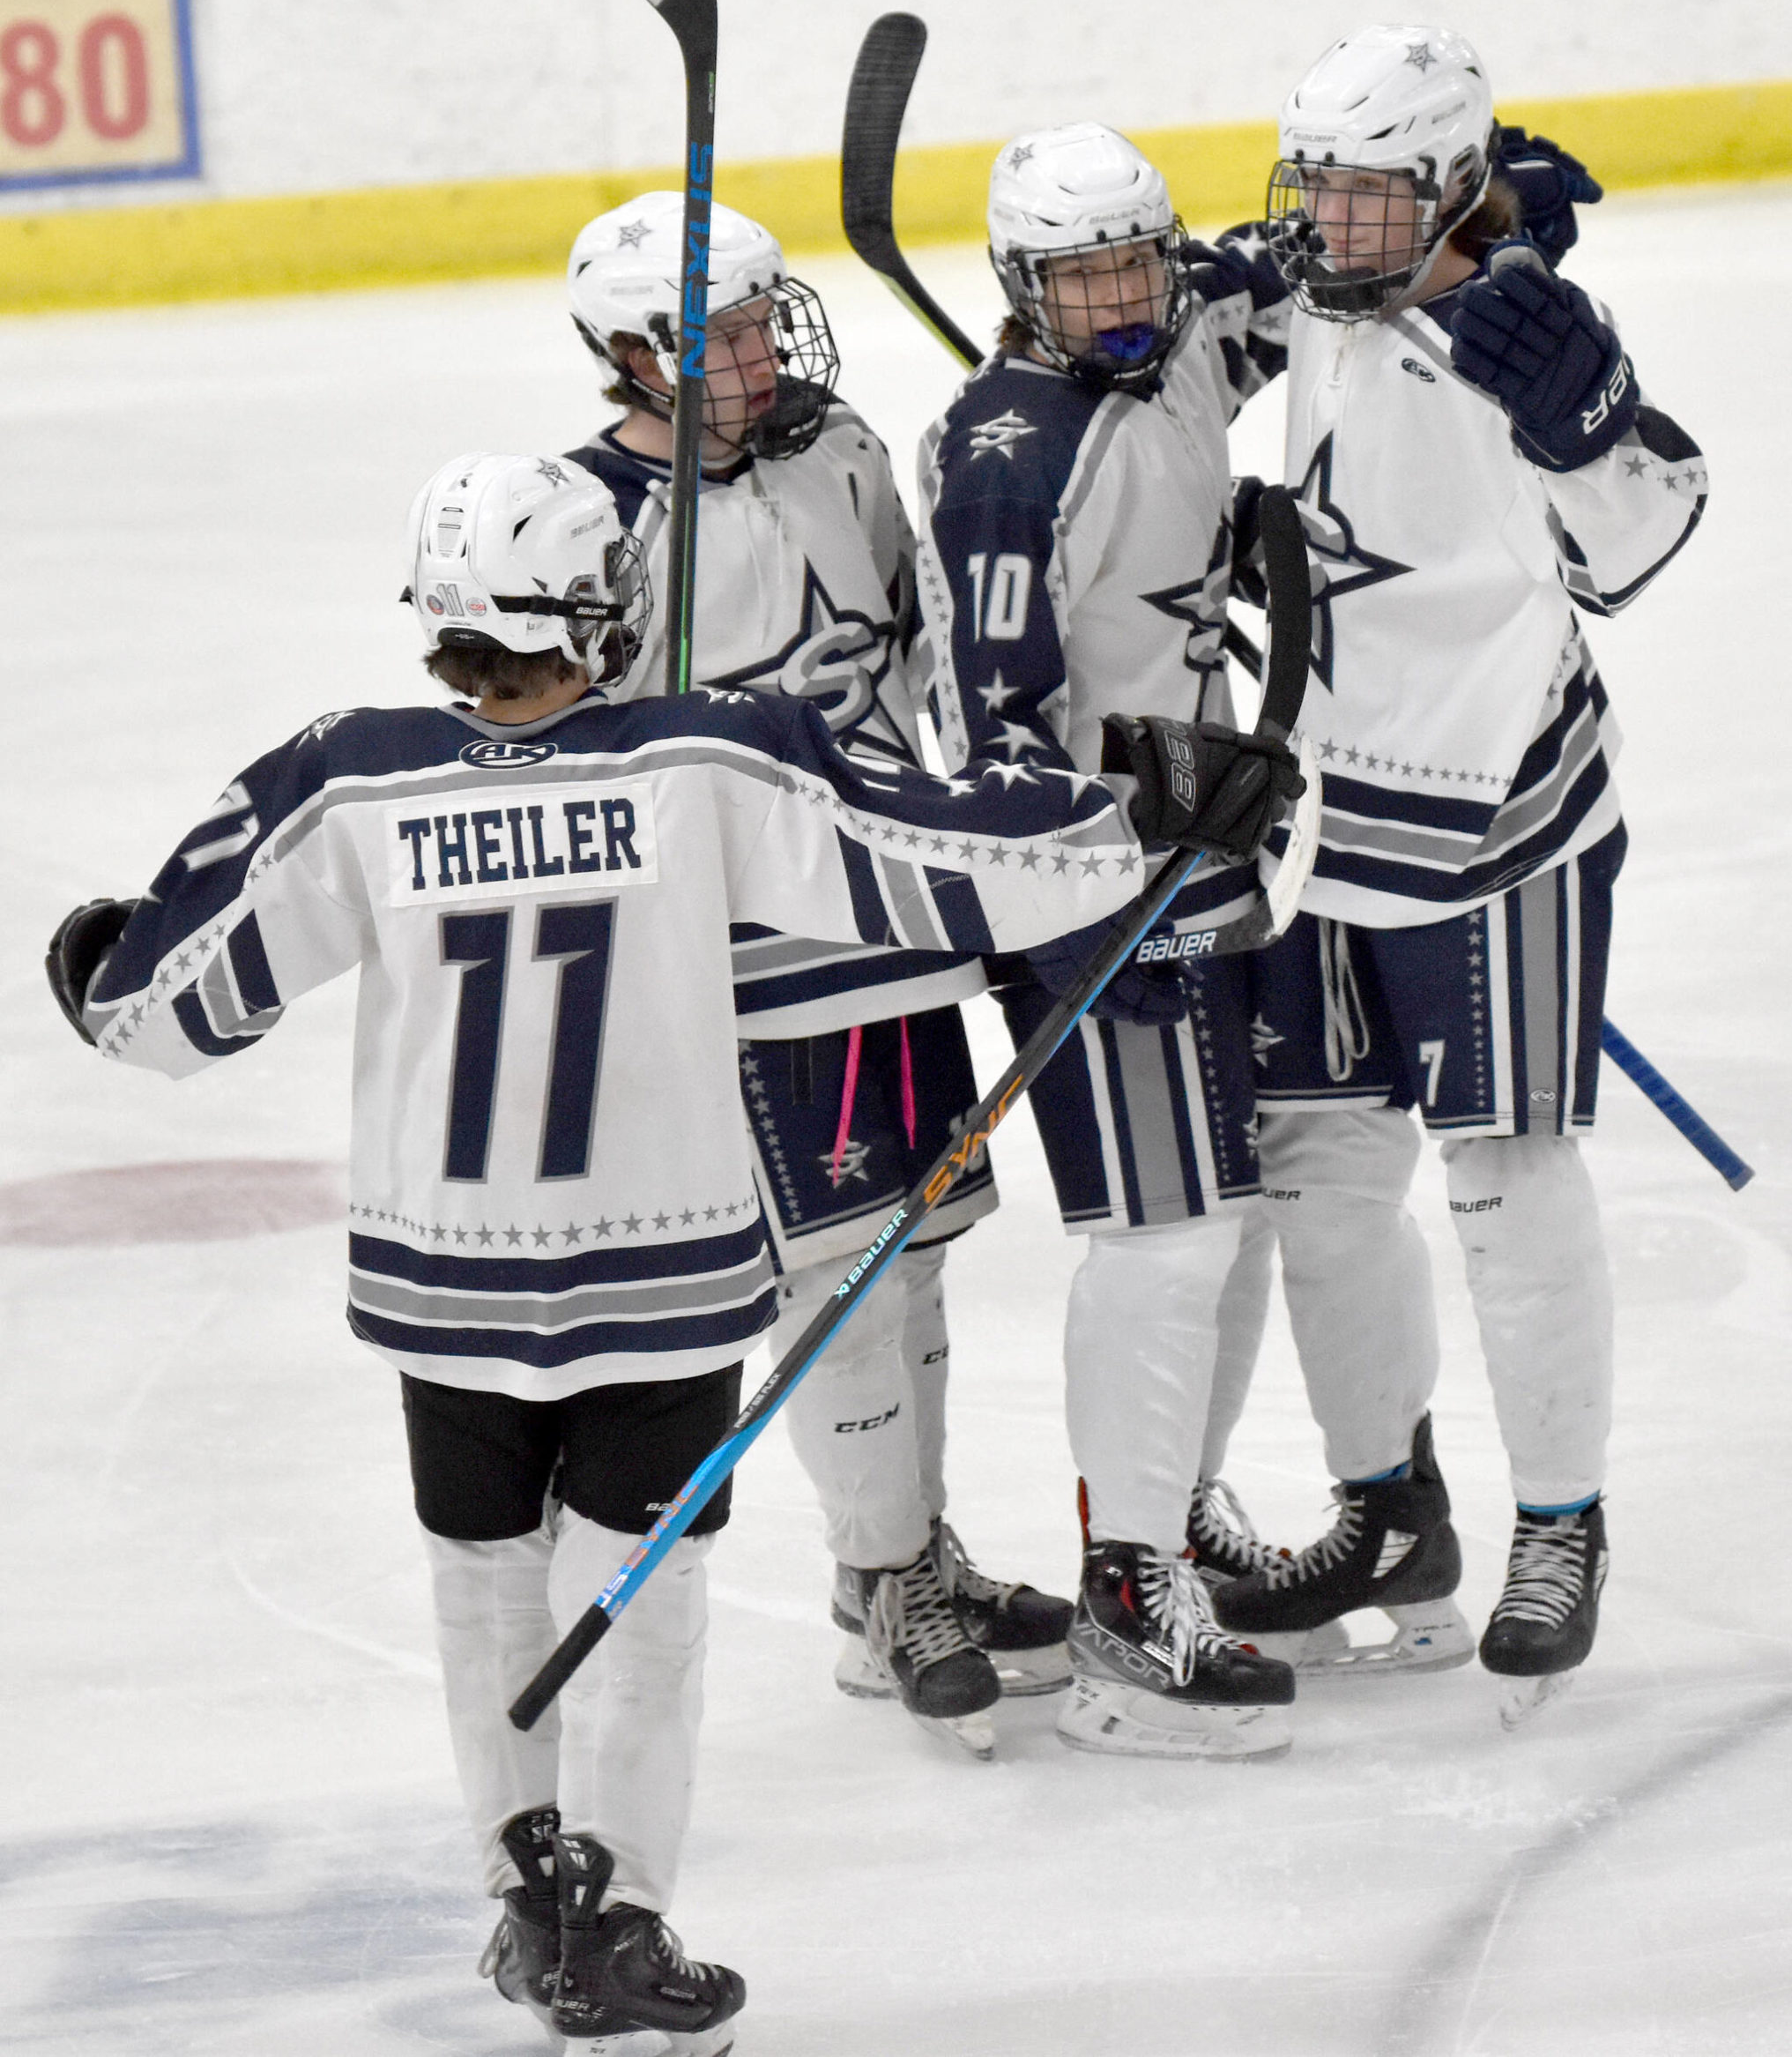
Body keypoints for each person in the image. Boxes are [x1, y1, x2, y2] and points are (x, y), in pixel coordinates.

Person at [45, 452, 1290, 2044]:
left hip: (449, 1283)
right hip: (660, 1280)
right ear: (608, 607)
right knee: (633, 1598)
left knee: (482, 1587)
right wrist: (1139, 816)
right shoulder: (706, 757)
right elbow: (941, 859)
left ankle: (529, 1905)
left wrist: (99, 969)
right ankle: (621, 1913)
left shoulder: (345, 781)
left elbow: (165, 1014)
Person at [1206, 25, 1707, 1720]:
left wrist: (1579, 433)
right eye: (1317, 192)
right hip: (1328, 816)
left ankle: (1557, 1526)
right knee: (1316, 1178)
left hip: (1501, 816)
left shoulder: (1518, 340)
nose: (1323, 226)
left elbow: (1641, 537)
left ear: (1441, 190)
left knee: (1503, 1180)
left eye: (1361, 197)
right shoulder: (1331, 290)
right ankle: (1387, 1510)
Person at [558, 190, 1072, 1754]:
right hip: (748, 953)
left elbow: (923, 658)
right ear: (635, 356)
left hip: (888, 908)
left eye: (764, 321)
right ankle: (885, 1573)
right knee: (833, 1270)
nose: (757, 352)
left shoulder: (839, 452)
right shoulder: (595, 521)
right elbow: (568, 745)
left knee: (908, 1252)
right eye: (717, 334)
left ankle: (904, 1560)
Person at [916, 122, 1308, 1758]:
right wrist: (1147, 788)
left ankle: (1161, 1521)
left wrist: (1467, 218)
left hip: (1207, 862)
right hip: (1093, 897)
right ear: (1022, 287)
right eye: (1081, 280)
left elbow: (1296, 281)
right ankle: (1128, 1607)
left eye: (1137, 263)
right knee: (1159, 1239)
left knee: (1220, 1228)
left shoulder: (1181, 337)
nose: (1123, 298)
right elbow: (994, 743)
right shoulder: (1003, 458)